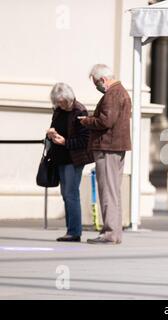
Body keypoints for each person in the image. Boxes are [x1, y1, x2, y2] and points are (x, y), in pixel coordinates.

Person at [80, 64, 131, 244]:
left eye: (96, 83)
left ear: (103, 79)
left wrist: (86, 121)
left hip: (107, 147)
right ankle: (114, 233)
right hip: (116, 147)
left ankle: (109, 233)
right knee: (114, 191)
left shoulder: (112, 94)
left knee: (107, 191)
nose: (96, 87)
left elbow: (105, 121)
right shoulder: (121, 91)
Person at [47, 83, 93, 242]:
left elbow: (84, 140)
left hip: (74, 159)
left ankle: (74, 232)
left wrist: (65, 142)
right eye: (58, 102)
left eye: (63, 102)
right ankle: (71, 230)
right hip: (60, 157)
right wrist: (50, 133)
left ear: (70, 98)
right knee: (66, 194)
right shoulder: (58, 111)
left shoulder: (79, 111)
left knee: (71, 194)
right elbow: (54, 129)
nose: (61, 105)